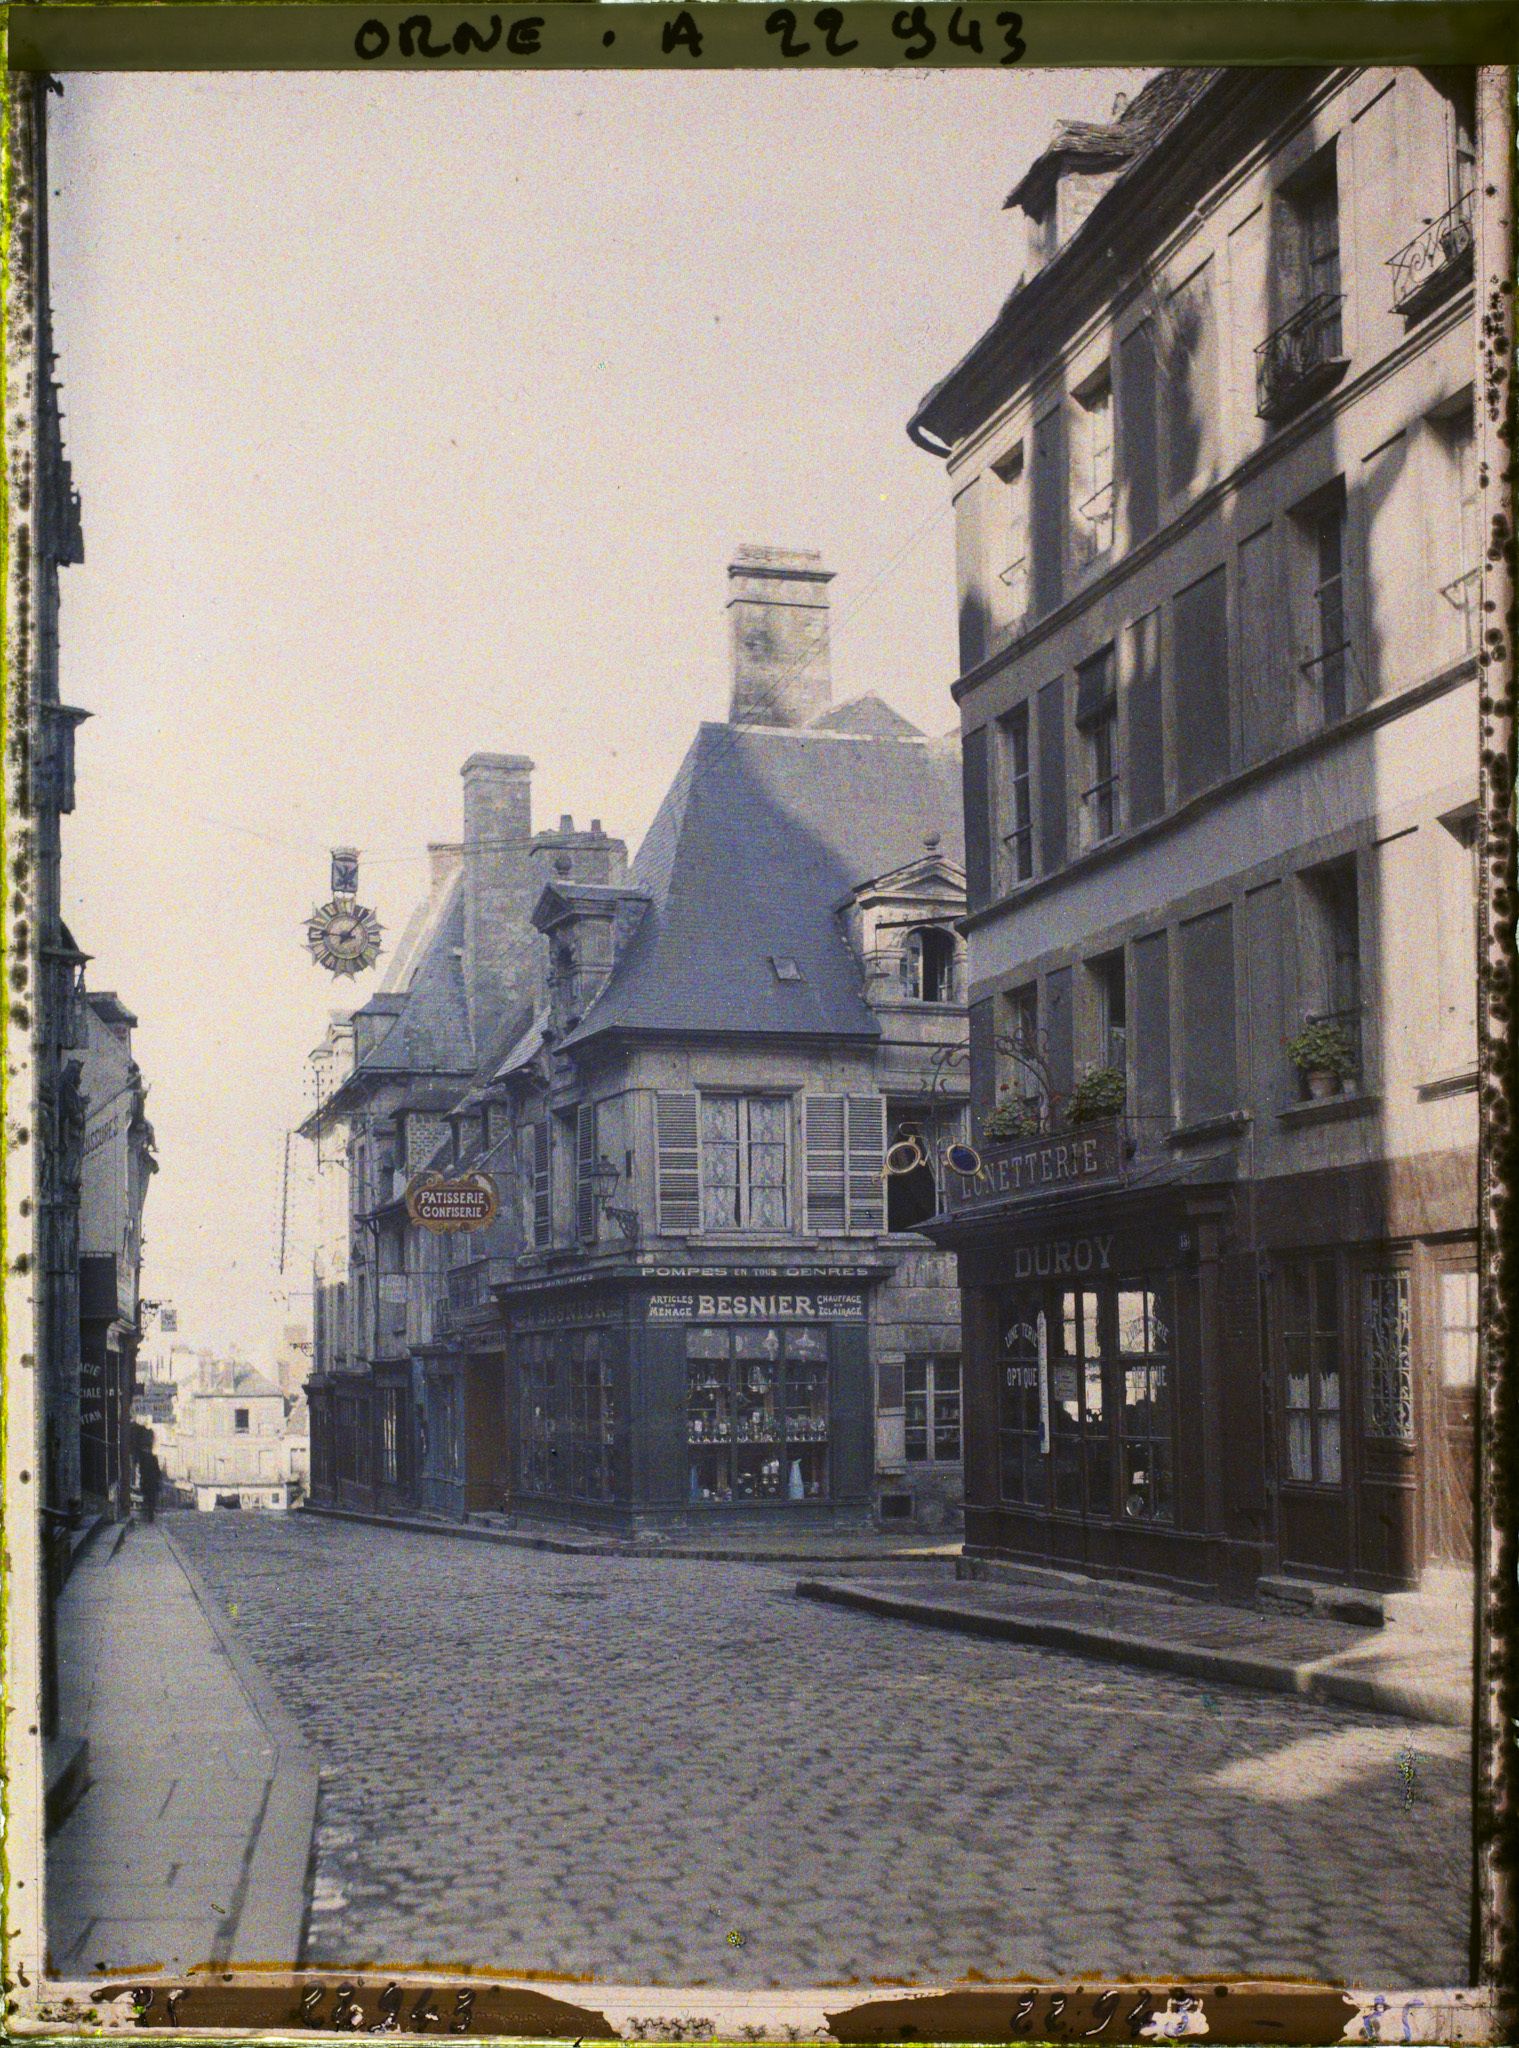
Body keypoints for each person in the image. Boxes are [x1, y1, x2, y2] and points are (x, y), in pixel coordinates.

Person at [137, 1427, 161, 1524]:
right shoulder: (153, 1458)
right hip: (152, 1481)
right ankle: (150, 1514)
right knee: (151, 1498)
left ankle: (148, 1513)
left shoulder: (143, 1458)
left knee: (147, 1496)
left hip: (147, 1480)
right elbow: (157, 1470)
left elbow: (141, 1470)